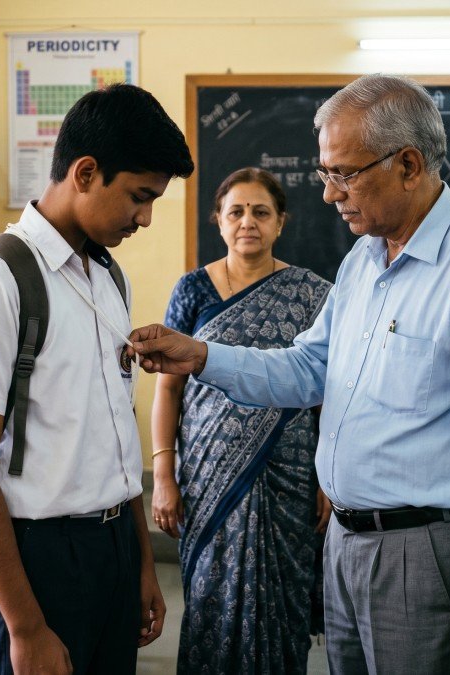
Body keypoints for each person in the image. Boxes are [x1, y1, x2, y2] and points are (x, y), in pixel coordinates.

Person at [129, 74, 450, 675]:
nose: (331, 194)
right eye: (324, 174)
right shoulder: (364, 258)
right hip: (344, 544)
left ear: (409, 163)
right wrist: (203, 356)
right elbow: (310, 367)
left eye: (344, 173)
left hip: (426, 552)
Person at [0, 83, 193, 675]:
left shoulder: (105, 275)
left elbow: (113, 432)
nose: (146, 217)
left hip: (109, 547)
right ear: (84, 173)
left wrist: (140, 565)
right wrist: (25, 626)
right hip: (33, 559)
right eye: (138, 196)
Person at [151, 168, 332, 674]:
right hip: (209, 475)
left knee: (284, 604)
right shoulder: (192, 291)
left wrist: (325, 475)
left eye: (260, 212)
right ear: (219, 221)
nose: (247, 222)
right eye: (236, 211)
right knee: (212, 592)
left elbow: (327, 393)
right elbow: (168, 387)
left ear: (280, 223)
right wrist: (163, 474)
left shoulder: (311, 294)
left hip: (289, 476)